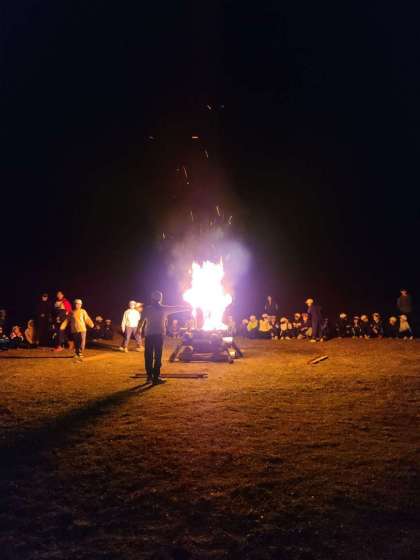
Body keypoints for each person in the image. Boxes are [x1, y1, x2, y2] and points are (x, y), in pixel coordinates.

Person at [142, 290, 190, 385]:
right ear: (160, 299)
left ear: (152, 299)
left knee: (148, 356)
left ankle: (149, 377)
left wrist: (139, 330)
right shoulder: (164, 308)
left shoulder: (147, 309)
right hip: (159, 335)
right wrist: (186, 307)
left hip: (149, 335)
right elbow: (176, 308)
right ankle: (156, 377)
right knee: (158, 356)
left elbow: (141, 320)